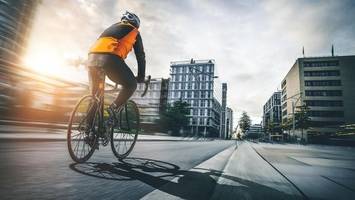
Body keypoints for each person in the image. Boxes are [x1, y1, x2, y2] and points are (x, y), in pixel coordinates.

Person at [87, 11, 146, 120]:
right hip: (110, 59)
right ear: (136, 24)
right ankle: (113, 108)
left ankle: (89, 131)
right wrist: (141, 77)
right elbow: (140, 56)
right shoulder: (134, 31)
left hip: (91, 59)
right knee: (131, 84)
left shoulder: (111, 28)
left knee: (95, 96)